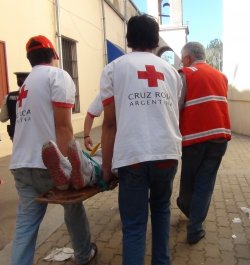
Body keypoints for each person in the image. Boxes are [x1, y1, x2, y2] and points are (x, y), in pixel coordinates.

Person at [100, 15, 182, 265]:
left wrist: (106, 168)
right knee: (161, 211)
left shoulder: (114, 68)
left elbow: (110, 123)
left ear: (128, 39)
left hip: (133, 155)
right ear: (156, 40)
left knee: (134, 226)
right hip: (167, 153)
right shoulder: (171, 72)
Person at [9, 35, 97, 265]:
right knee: (75, 197)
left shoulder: (25, 85)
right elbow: (64, 128)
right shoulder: (57, 75)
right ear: (55, 56)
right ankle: (84, 254)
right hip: (49, 165)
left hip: (20, 165)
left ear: (30, 60)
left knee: (25, 226)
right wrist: (71, 160)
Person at [177, 42, 231, 244]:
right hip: (220, 137)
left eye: (182, 58)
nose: (182, 61)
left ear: (188, 58)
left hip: (194, 138)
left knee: (189, 178)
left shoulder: (185, 74)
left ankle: (185, 205)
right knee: (205, 182)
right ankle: (195, 228)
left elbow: (176, 106)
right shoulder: (221, 76)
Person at [0, 72, 29, 141]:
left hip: (16, 133)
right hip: (31, 132)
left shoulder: (8, 97)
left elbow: (3, 118)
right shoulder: (35, 95)